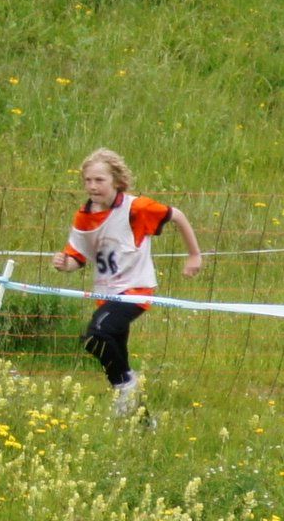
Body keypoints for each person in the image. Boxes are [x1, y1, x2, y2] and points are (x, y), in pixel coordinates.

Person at [53, 147, 207, 419]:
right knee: (115, 354)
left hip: (135, 291)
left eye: (99, 180)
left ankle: (126, 386)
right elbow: (78, 257)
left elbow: (177, 215)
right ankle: (143, 420)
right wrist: (65, 264)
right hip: (106, 294)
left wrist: (194, 255)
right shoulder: (84, 216)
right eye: (88, 180)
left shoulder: (136, 208)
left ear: (116, 181)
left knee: (96, 336)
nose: (92, 186)